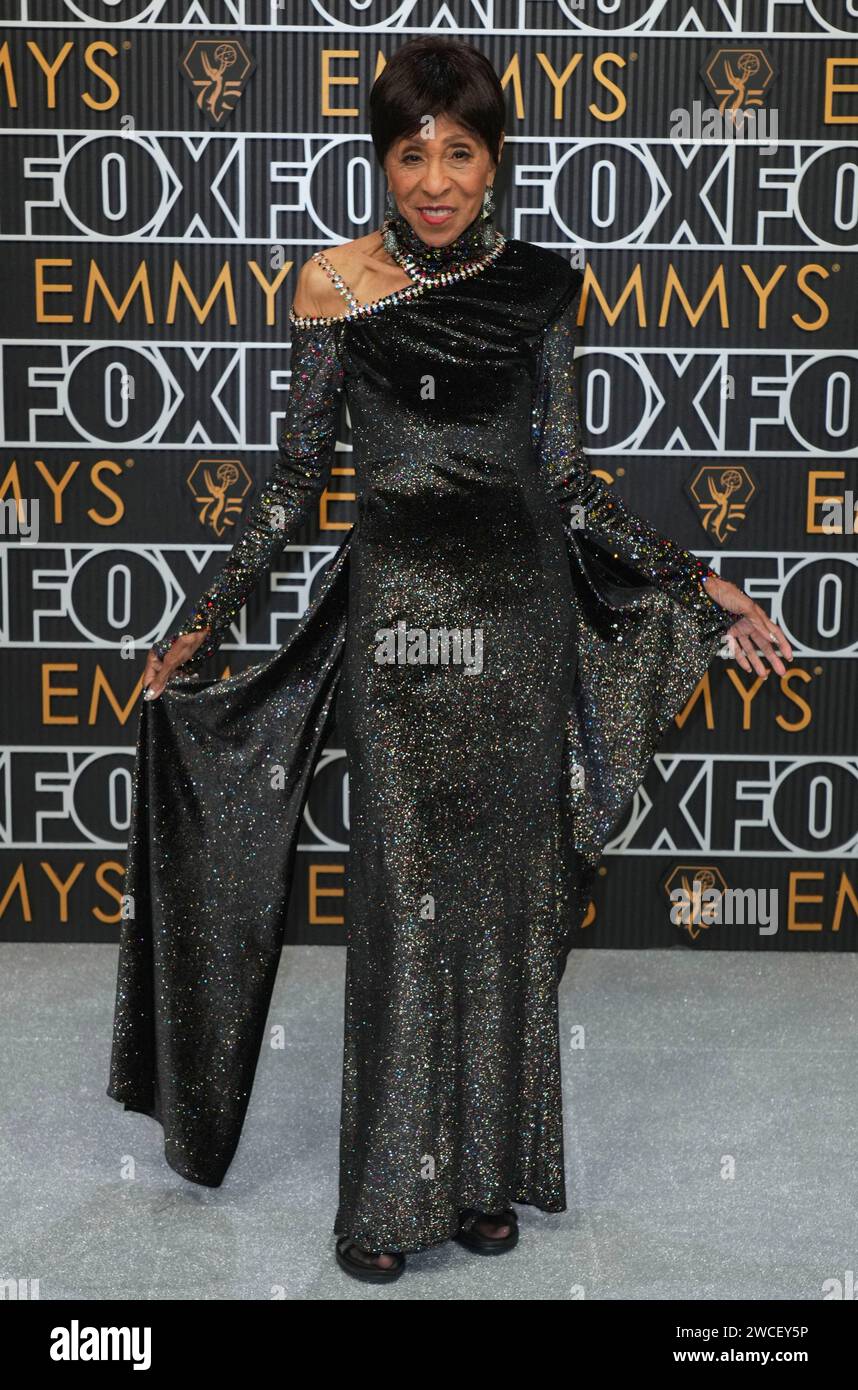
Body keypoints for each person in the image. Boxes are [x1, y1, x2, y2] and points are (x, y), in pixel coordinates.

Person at [107, 36, 792, 1285]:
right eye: (410, 152)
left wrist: (701, 580)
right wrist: (197, 620)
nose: (435, 178)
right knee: (404, 903)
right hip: (405, 632)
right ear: (379, 159)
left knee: (509, 908)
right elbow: (292, 485)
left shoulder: (542, 285)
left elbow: (573, 479)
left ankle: (485, 1180)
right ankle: (384, 1200)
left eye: (459, 153)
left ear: (493, 164)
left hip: (521, 626)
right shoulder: (330, 288)